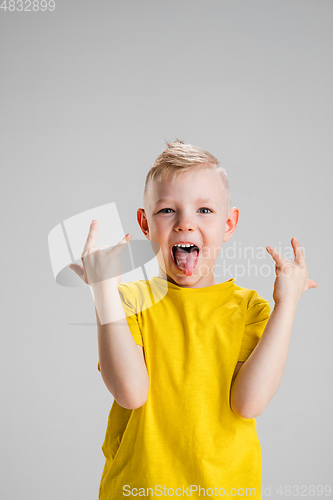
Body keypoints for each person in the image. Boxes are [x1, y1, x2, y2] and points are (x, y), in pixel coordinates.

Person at [69, 139, 317, 499]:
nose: (185, 223)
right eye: (168, 210)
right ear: (144, 223)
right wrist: (104, 290)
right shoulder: (129, 302)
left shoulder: (250, 310)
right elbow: (131, 392)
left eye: (204, 210)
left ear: (229, 224)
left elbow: (249, 403)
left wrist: (287, 305)